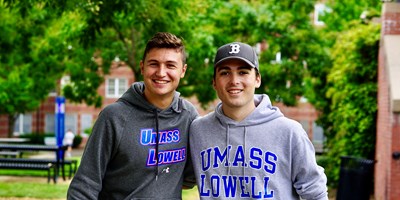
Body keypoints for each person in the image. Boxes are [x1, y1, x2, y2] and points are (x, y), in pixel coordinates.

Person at [67, 32, 199, 199]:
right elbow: (84, 186)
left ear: (183, 71)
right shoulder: (113, 117)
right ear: (142, 67)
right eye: (154, 64)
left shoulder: (188, 116)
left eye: (170, 65)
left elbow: (189, 177)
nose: (161, 72)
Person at [189, 42, 328, 199]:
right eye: (225, 73)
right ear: (214, 82)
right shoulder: (198, 130)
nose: (234, 80)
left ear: (257, 79)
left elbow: (315, 192)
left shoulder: (289, 132)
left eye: (243, 72)